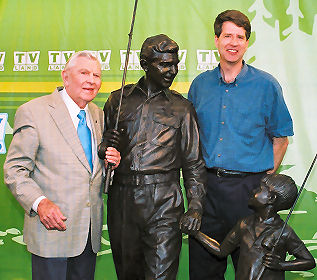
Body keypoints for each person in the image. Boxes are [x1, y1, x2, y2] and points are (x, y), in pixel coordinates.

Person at [187, 10, 294, 280]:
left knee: (253, 271)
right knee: (204, 270)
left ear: (247, 42)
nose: (233, 42)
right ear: (216, 40)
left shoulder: (266, 85)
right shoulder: (200, 86)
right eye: (227, 36)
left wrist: (265, 181)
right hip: (207, 192)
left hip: (250, 194)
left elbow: (281, 137)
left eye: (240, 37)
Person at [3, 51, 121, 280]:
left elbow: (92, 171)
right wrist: (40, 203)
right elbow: (14, 170)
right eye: (84, 73)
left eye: (97, 75)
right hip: (51, 233)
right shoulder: (34, 112)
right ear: (65, 76)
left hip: (88, 235)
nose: (91, 80)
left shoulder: (98, 115)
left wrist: (111, 163)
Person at [102, 34, 206, 280]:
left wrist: (196, 207)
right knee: (128, 274)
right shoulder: (118, 100)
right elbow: (103, 146)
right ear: (144, 63)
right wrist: (105, 147)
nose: (172, 70)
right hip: (123, 200)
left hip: (164, 202)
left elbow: (194, 163)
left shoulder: (183, 108)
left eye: (175, 63)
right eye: (164, 64)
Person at [188, 174, 316, 280]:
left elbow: (309, 261)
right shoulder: (244, 224)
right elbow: (221, 251)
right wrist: (196, 233)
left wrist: (281, 265)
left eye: (260, 189)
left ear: (271, 198)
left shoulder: (284, 232)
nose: (253, 190)